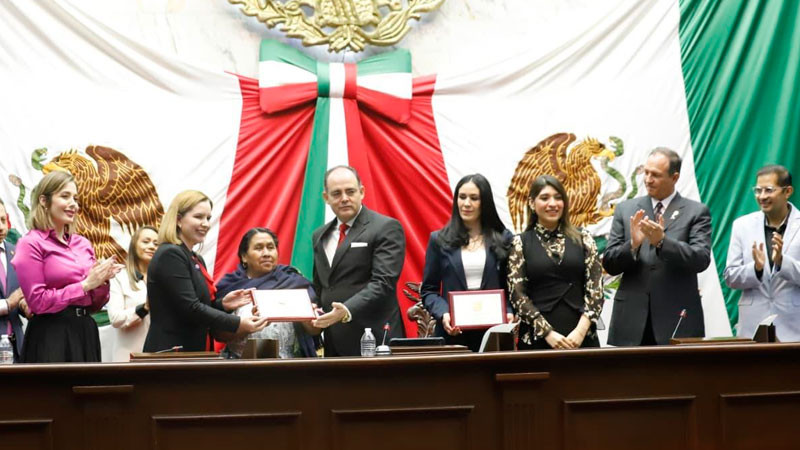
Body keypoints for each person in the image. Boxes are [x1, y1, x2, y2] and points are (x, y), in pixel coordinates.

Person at [603, 148, 711, 345]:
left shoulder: (696, 212)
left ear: (675, 177)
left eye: (655, 175)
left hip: (676, 318)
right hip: (631, 320)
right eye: (646, 172)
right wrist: (633, 245)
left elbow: (700, 259)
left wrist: (663, 242)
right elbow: (610, 263)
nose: (648, 179)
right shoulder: (626, 209)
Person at [12, 171, 123, 362]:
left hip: (85, 330)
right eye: (65, 196)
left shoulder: (83, 243)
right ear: (44, 201)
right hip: (51, 334)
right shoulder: (30, 243)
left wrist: (102, 280)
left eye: (75, 198)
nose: (74, 204)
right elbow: (37, 302)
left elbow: (95, 304)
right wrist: (85, 285)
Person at [143, 191, 268, 353]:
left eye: (208, 218)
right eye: (198, 217)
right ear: (178, 220)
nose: (206, 224)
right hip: (171, 353)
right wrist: (238, 323)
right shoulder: (170, 254)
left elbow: (197, 305)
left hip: (194, 351)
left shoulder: (195, 258)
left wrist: (223, 304)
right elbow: (191, 308)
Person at [311, 166, 405, 356]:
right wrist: (312, 307)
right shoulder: (319, 235)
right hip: (334, 339)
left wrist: (346, 310)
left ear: (361, 192)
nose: (344, 198)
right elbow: (322, 285)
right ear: (326, 197)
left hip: (374, 337)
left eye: (350, 191)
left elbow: (383, 283)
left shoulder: (386, 227)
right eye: (336, 193)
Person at [507, 175, 603, 349]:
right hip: (537, 339)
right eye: (545, 198)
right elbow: (517, 295)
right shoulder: (519, 243)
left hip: (582, 338)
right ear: (532, 203)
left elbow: (596, 289)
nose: (553, 204)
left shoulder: (584, 238)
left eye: (558, 198)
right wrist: (548, 333)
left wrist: (580, 332)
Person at [421, 174, 514, 351]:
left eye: (474, 198)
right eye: (462, 197)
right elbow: (429, 290)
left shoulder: (505, 239)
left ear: (485, 202)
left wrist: (508, 311)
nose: (466, 203)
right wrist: (444, 313)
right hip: (453, 334)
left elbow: (512, 288)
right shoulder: (439, 240)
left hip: (494, 332)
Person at [216, 227, 320, 358]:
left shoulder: (294, 282)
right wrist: (244, 327)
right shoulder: (231, 286)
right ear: (244, 256)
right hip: (240, 364)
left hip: (289, 364)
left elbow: (315, 330)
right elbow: (218, 334)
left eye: (271, 248)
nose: (266, 253)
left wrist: (308, 321)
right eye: (258, 248)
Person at [724, 165, 800, 341]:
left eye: (769, 190)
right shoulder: (742, 226)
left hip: (794, 327)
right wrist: (756, 269)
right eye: (758, 190)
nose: (762, 196)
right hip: (753, 328)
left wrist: (782, 262)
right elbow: (730, 277)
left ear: (788, 191)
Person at [106, 226, 158, 361]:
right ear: (134, 245)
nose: (152, 246)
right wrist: (144, 308)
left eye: (156, 243)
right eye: (146, 241)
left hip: (160, 355)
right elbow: (115, 319)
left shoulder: (165, 279)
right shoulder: (119, 277)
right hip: (128, 359)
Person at [0, 198, 30, 360]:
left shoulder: (16, 253)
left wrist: (25, 306)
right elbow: (11, 300)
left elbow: (19, 295)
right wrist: (8, 304)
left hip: (16, 350)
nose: (1, 227)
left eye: (3, 220)